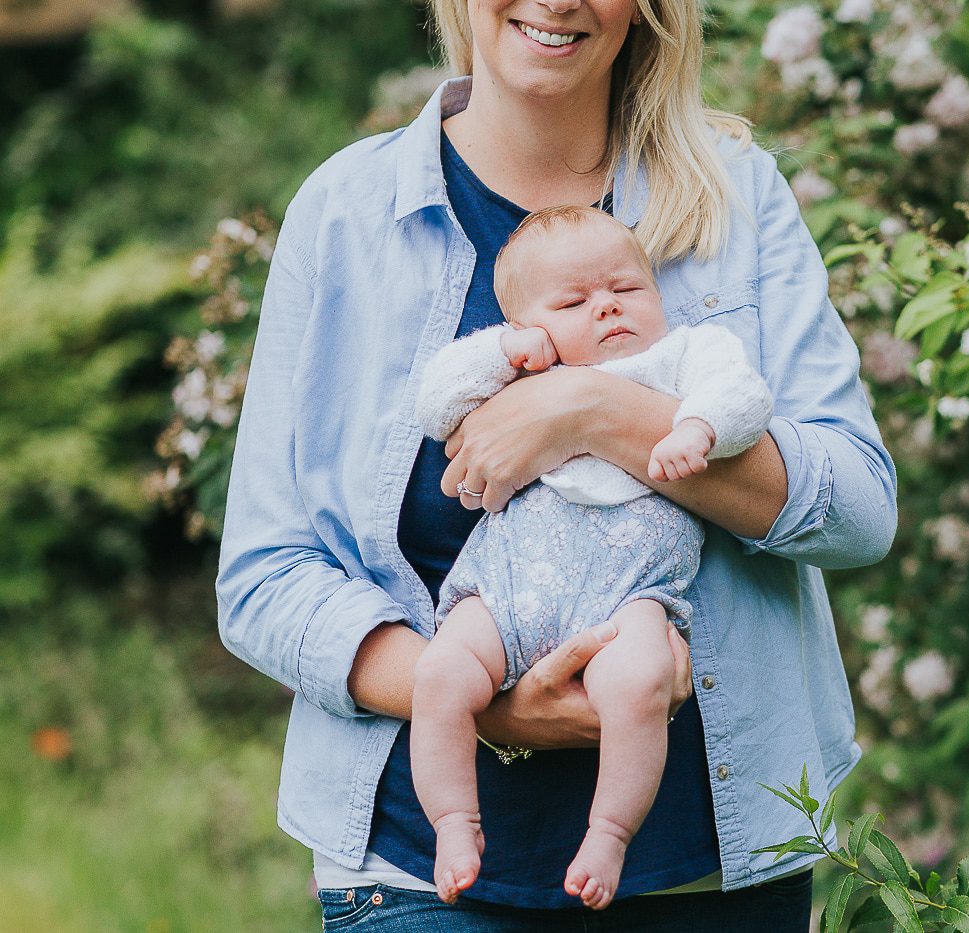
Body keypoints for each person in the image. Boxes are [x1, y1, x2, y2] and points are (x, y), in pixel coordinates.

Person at [215, 0, 898, 926]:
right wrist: (470, 700)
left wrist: (596, 409)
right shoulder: (345, 217)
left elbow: (859, 509)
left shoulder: (735, 193)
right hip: (418, 877)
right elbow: (264, 578)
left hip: (710, 872)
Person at [409, 204, 773, 909]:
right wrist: (502, 353)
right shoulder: (516, 377)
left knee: (639, 682)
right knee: (441, 674)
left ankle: (608, 831)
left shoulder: (679, 360)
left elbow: (744, 394)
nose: (607, 306)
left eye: (626, 289)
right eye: (574, 301)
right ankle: (455, 823)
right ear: (527, 324)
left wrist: (698, 425)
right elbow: (436, 402)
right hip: (508, 591)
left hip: (630, 594)